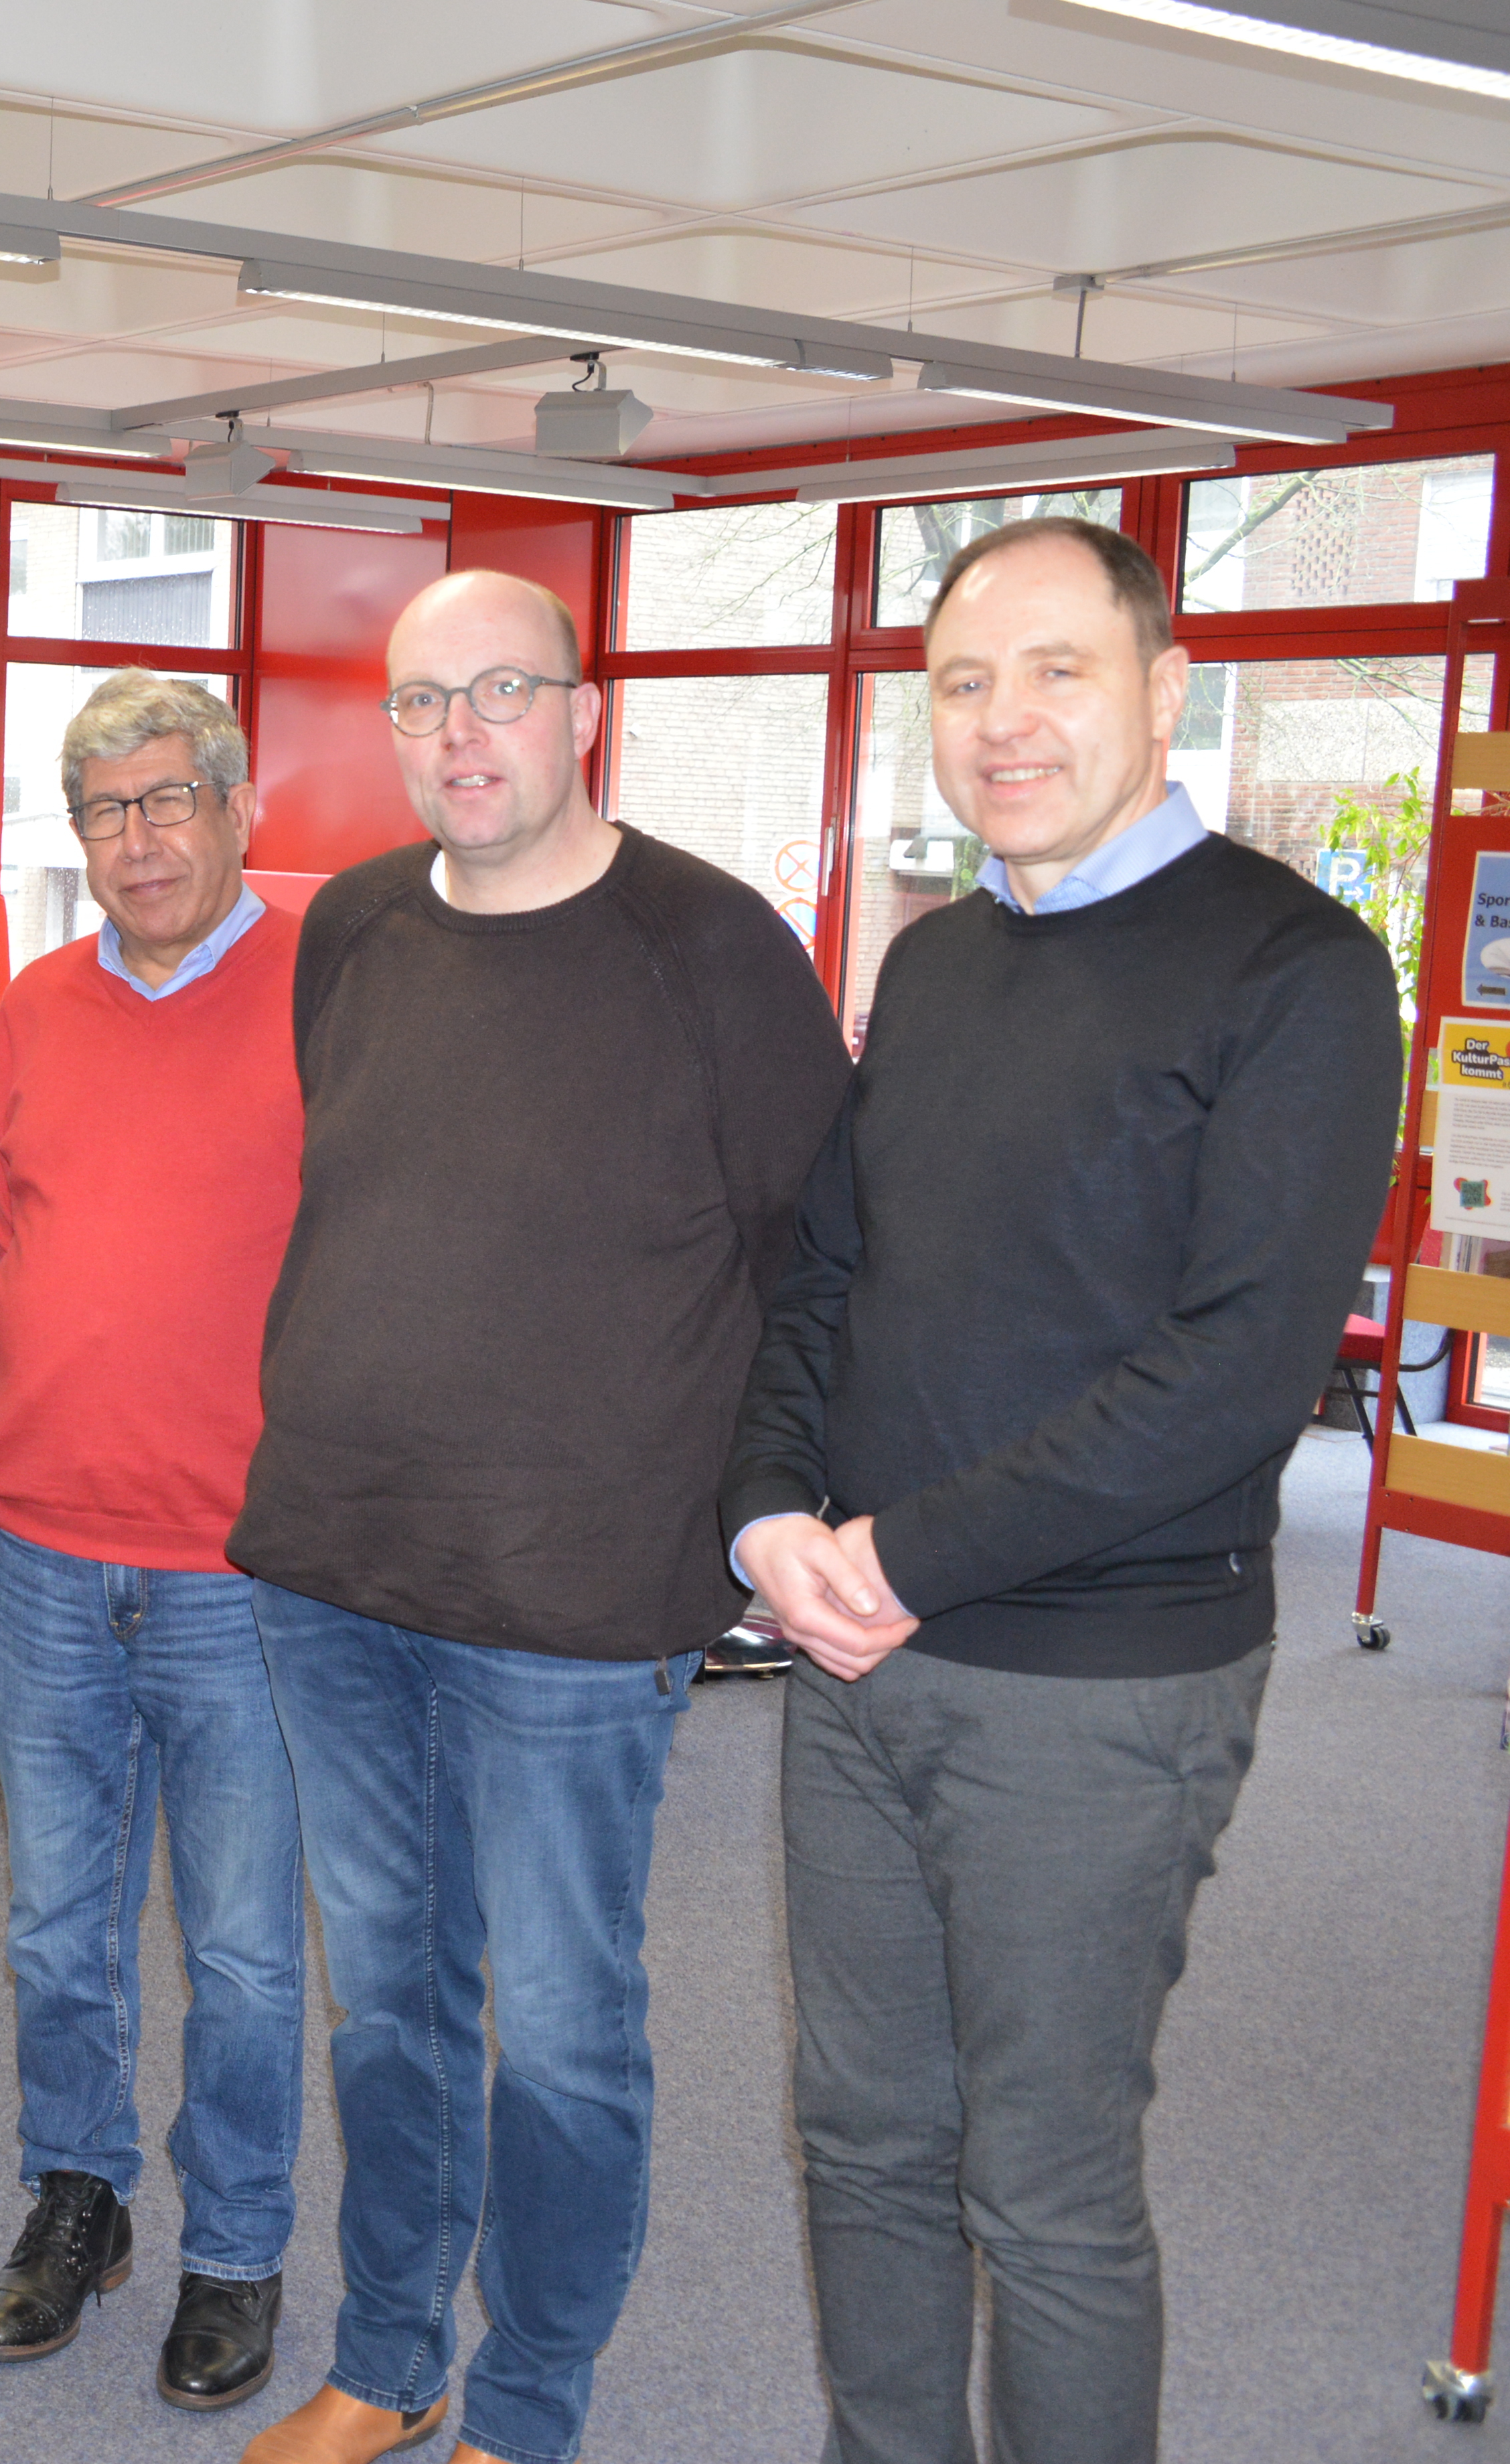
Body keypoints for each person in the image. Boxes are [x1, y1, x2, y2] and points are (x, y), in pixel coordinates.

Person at [725, 515, 1398, 2464]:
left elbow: (1233, 1383)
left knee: (1046, 2188)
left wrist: (893, 1555)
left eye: (1056, 671)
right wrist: (768, 1513)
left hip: (1099, 1694)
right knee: (860, 2137)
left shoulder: (1294, 970)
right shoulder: (936, 967)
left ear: (1165, 691)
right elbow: (829, 1277)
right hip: (858, 1663)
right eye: (960, 680)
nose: (1002, 720)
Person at [231, 570, 853, 2464]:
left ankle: (529, 2401)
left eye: (501, 692)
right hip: (335, 1565)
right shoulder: (348, 928)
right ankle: (392, 2354)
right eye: (421, 703)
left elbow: (817, 1256)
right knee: (385, 2010)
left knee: (564, 2030)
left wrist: (768, 1511)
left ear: (586, 713)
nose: (458, 737)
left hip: (577, 1604)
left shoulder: (709, 943)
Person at [0, 671, 308, 2411]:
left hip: (240, 1571)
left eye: (167, 800)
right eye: (104, 812)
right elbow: (16, 1236)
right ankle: (78, 2198)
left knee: (244, 1945)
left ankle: (235, 2249)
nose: (137, 839)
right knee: (50, 1924)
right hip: (41, 1551)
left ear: (237, 805)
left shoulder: (327, 996)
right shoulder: (29, 1010)